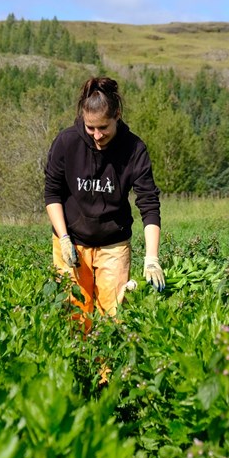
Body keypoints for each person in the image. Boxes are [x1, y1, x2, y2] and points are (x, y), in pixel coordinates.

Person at [44, 76, 165, 331]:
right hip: (72, 242)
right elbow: (52, 194)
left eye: (103, 128)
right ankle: (78, 369)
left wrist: (152, 258)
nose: (97, 135)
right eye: (90, 128)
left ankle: (107, 372)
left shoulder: (134, 149)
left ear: (117, 116)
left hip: (113, 244)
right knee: (74, 318)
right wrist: (64, 237)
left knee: (113, 320)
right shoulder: (67, 143)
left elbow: (149, 204)